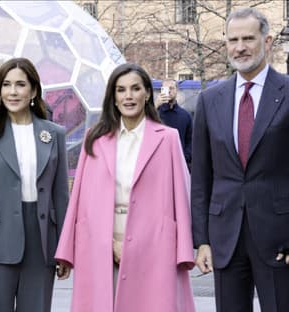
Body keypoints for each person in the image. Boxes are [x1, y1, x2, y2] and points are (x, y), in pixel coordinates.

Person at [55, 63, 195, 312]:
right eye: (121, 90)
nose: (128, 96)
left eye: (135, 89)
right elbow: (80, 201)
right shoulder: (94, 139)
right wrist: (69, 250)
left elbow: (181, 199)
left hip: (154, 248)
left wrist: (185, 250)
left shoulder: (168, 138)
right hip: (100, 246)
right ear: (113, 96)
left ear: (147, 94)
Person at [191, 7, 289, 311]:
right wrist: (202, 240)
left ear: (267, 40)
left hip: (278, 238)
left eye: (248, 38)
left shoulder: (287, 93)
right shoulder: (210, 99)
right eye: (233, 39)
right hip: (225, 237)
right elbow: (202, 176)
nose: (240, 46)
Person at [0, 57, 69, 312]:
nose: (13, 92)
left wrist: (65, 249)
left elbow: (61, 196)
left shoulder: (54, 134)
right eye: (6, 85)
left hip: (42, 241)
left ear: (33, 90)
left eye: (20, 84)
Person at [155, 79, 193, 167]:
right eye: (165, 89)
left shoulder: (185, 115)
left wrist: (183, 157)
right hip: (158, 164)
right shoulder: (155, 113)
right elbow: (144, 128)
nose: (169, 91)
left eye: (171, 88)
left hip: (180, 164)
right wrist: (156, 105)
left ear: (177, 90)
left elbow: (191, 140)